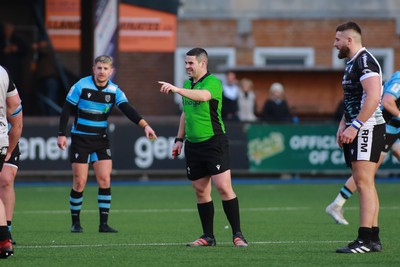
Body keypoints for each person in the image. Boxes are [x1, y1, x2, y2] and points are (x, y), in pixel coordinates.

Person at [158, 47, 248, 247]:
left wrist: (177, 89)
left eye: (191, 63)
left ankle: (238, 235)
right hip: (193, 145)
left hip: (214, 142)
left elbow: (203, 97)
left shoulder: (213, 82)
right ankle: (208, 236)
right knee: (200, 190)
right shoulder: (187, 85)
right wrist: (179, 139)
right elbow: (185, 113)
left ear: (203, 64)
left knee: (224, 187)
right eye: (186, 63)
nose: (187, 66)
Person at [57, 55, 157, 234]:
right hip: (80, 139)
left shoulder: (114, 90)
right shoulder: (81, 85)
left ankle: (103, 224)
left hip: (100, 140)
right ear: (93, 69)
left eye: (105, 69)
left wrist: (146, 126)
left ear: (111, 71)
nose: (102, 71)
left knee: (104, 179)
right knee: (80, 182)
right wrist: (61, 134)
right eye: (99, 68)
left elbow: (128, 110)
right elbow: (66, 110)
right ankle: (76, 223)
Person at [326, 71, 400, 238]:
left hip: (394, 130)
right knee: (367, 175)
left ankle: (337, 205)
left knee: (366, 176)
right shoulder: (399, 79)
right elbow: (388, 102)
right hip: (385, 129)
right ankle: (337, 205)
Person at [333, 21, 385, 254]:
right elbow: (354, 99)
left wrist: (355, 126)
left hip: (368, 128)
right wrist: (343, 123)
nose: (335, 44)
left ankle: (364, 239)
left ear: (349, 40)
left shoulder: (365, 61)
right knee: (366, 183)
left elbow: (374, 97)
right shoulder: (353, 62)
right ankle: (372, 238)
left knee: (363, 183)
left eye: (337, 40)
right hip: (360, 126)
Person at [0, 65, 23, 259]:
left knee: (6, 179)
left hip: (7, 137)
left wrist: (10, 148)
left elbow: (17, 118)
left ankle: (6, 232)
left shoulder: (4, 74)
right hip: (3, 139)